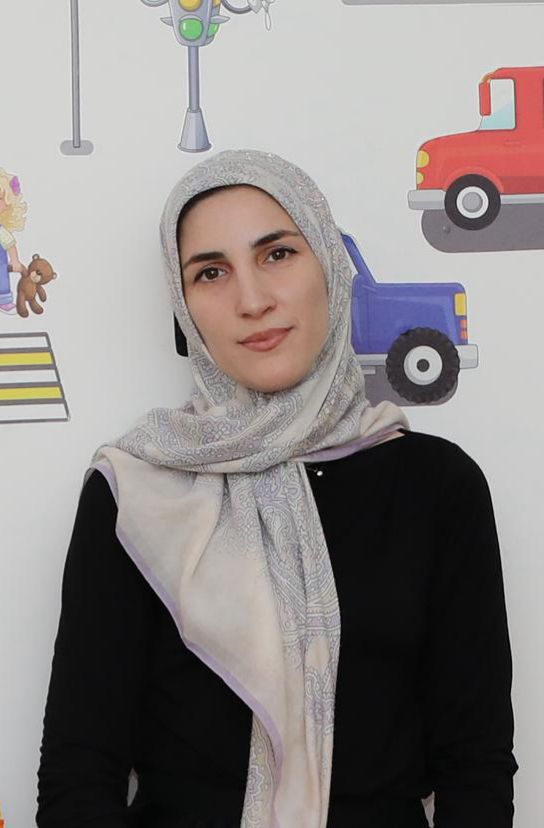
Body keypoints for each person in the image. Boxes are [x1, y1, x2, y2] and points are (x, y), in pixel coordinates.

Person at [36, 149, 517, 827]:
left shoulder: (437, 488)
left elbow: (475, 769)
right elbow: (79, 773)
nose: (252, 300)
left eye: (278, 254)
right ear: (184, 307)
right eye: (210, 272)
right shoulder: (137, 491)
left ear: (329, 268)